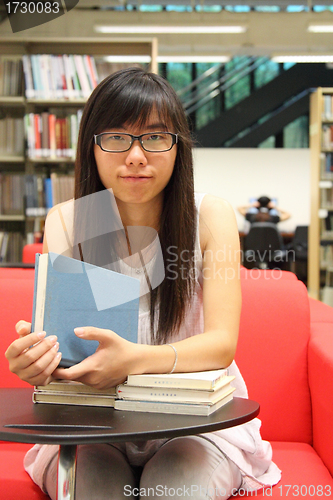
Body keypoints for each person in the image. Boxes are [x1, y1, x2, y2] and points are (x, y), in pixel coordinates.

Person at [5, 68, 281, 499]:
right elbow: (67, 356)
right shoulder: (68, 220)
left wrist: (134, 360)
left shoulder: (210, 216)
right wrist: (38, 364)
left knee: (173, 491)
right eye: (116, 137)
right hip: (95, 423)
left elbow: (221, 345)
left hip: (192, 423)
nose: (135, 156)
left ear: (178, 147)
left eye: (154, 137)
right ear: (92, 146)